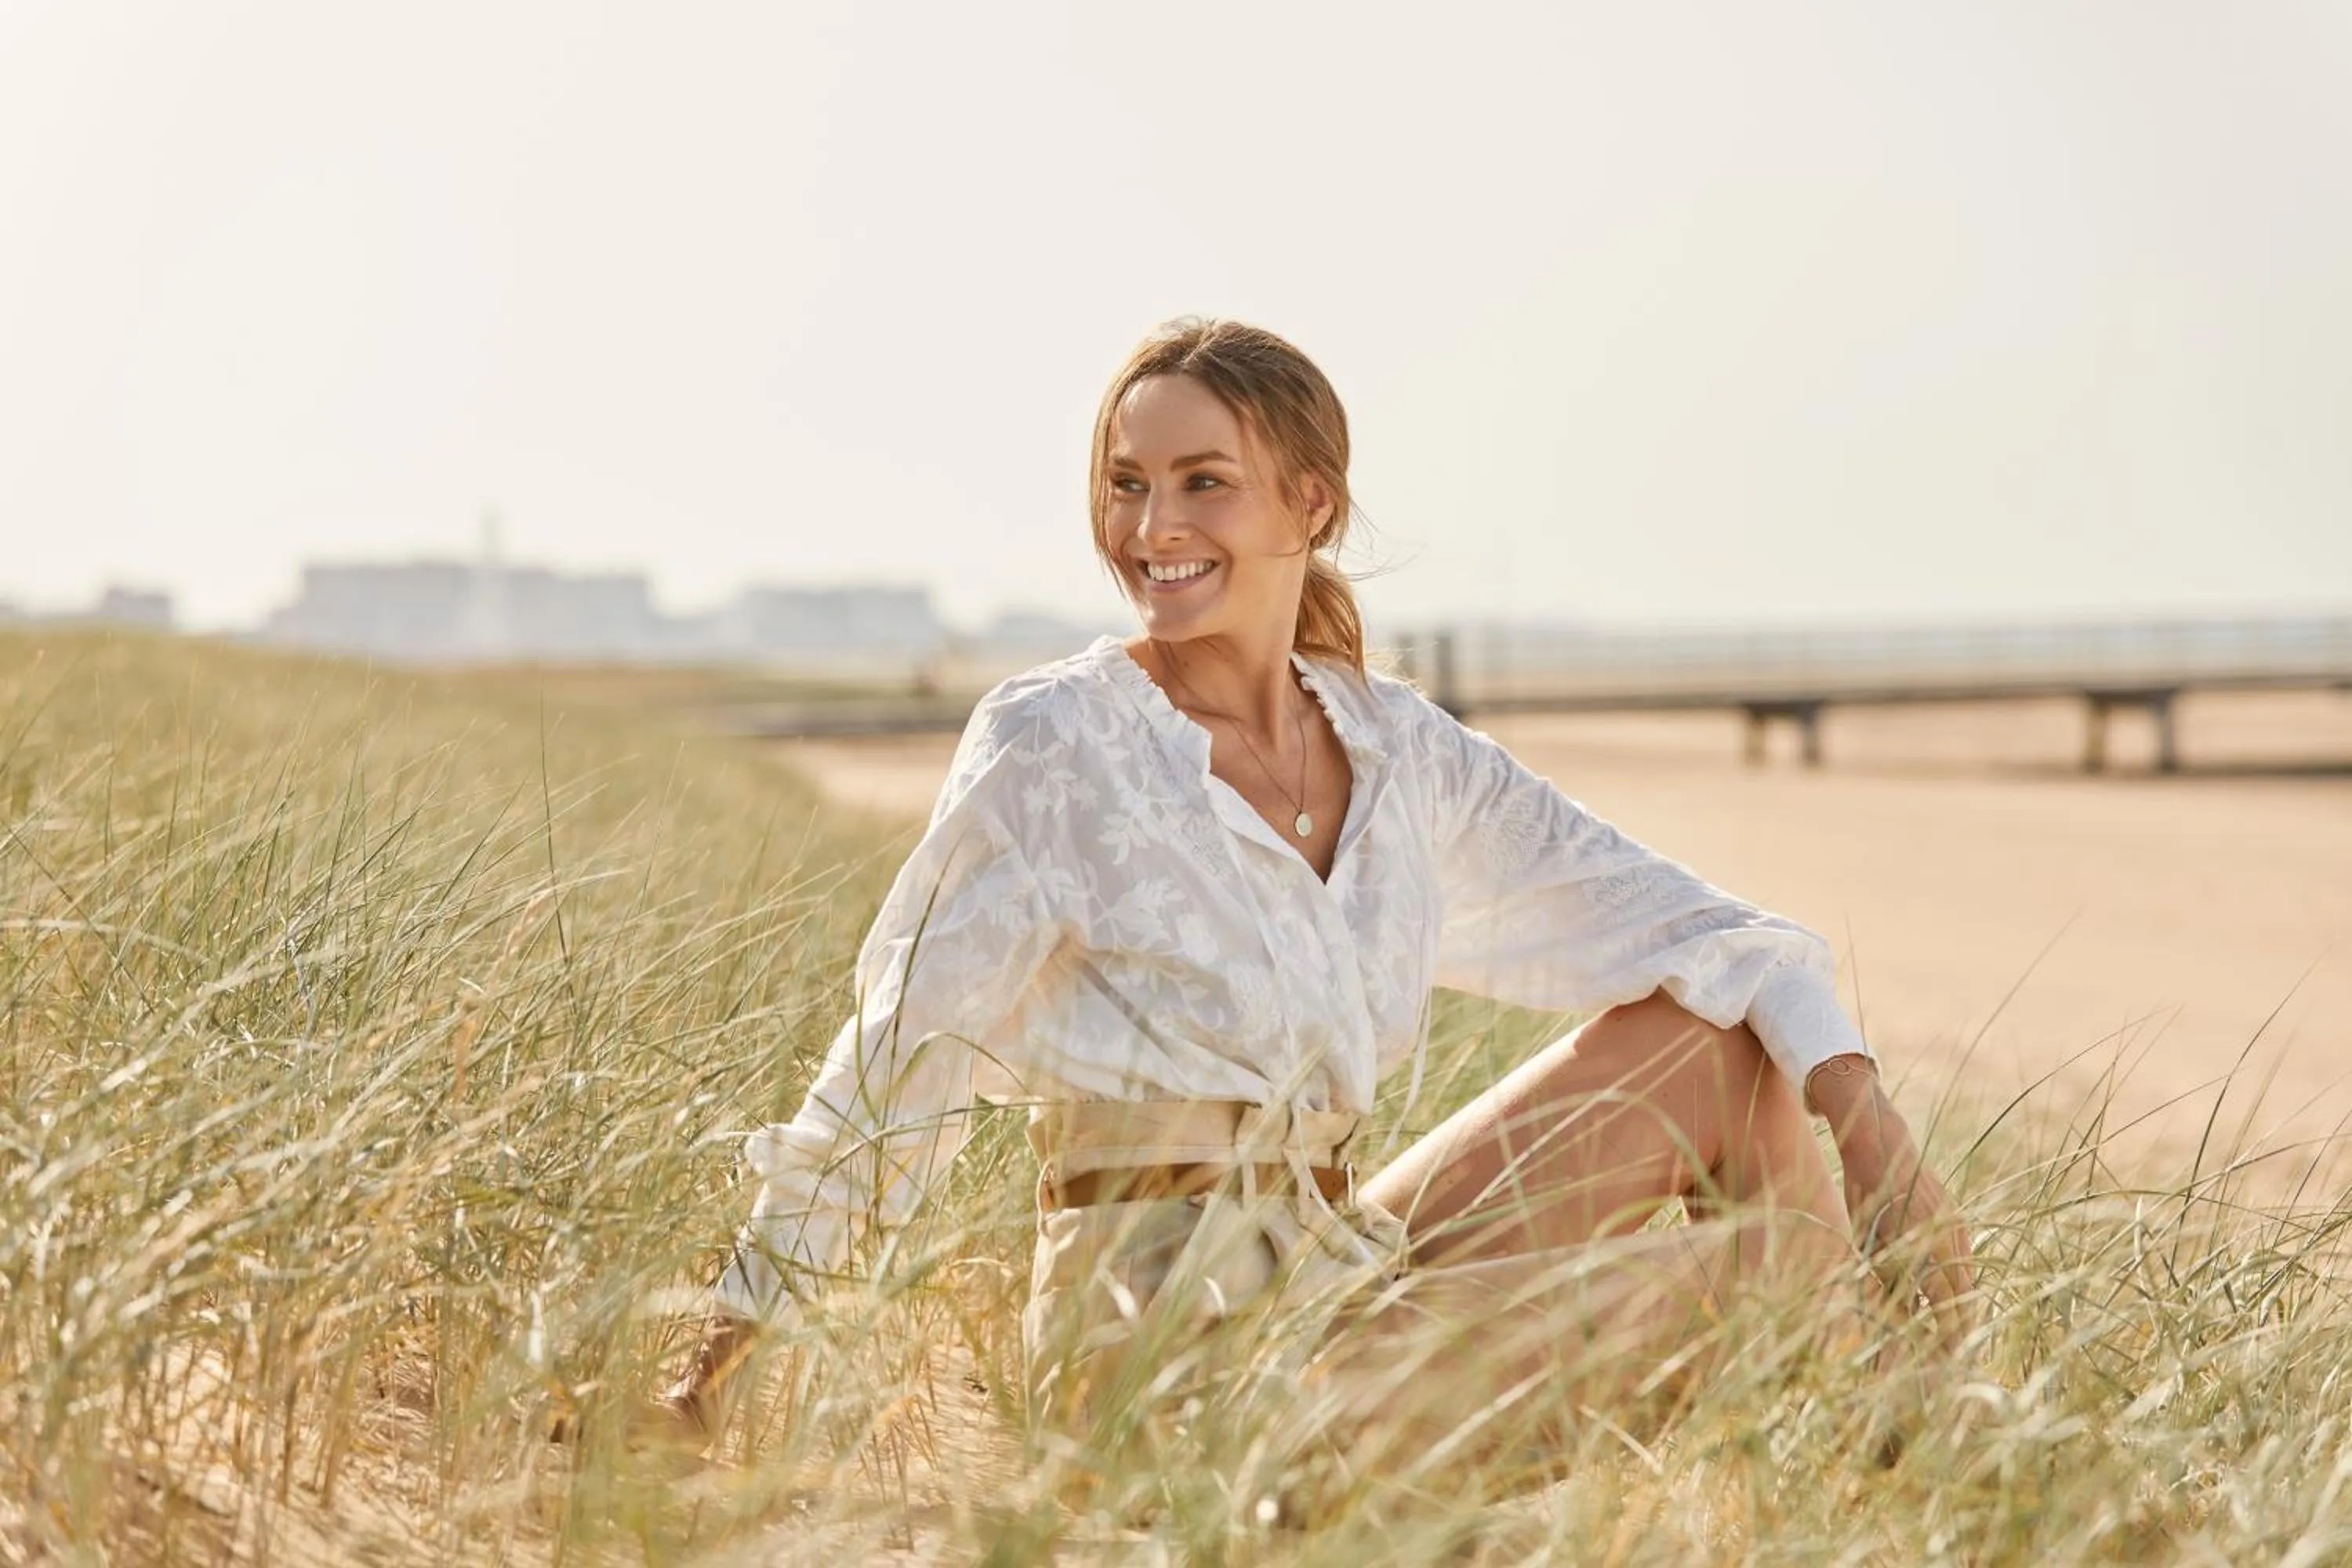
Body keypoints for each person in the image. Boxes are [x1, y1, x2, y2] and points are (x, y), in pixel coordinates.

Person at [655, 318, 1975, 1486]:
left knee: (1718, 1047)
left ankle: (1898, 1450)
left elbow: (1710, 936)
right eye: (1127, 487)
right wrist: (711, 1372)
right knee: (1762, 1273)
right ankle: (1912, 1462)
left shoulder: (1399, 752)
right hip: (1159, 1351)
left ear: (1311, 506)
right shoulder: (1061, 744)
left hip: (1336, 1277)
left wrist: (1876, 1143)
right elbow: (896, 1066)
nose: (1152, 528)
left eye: (1202, 484)